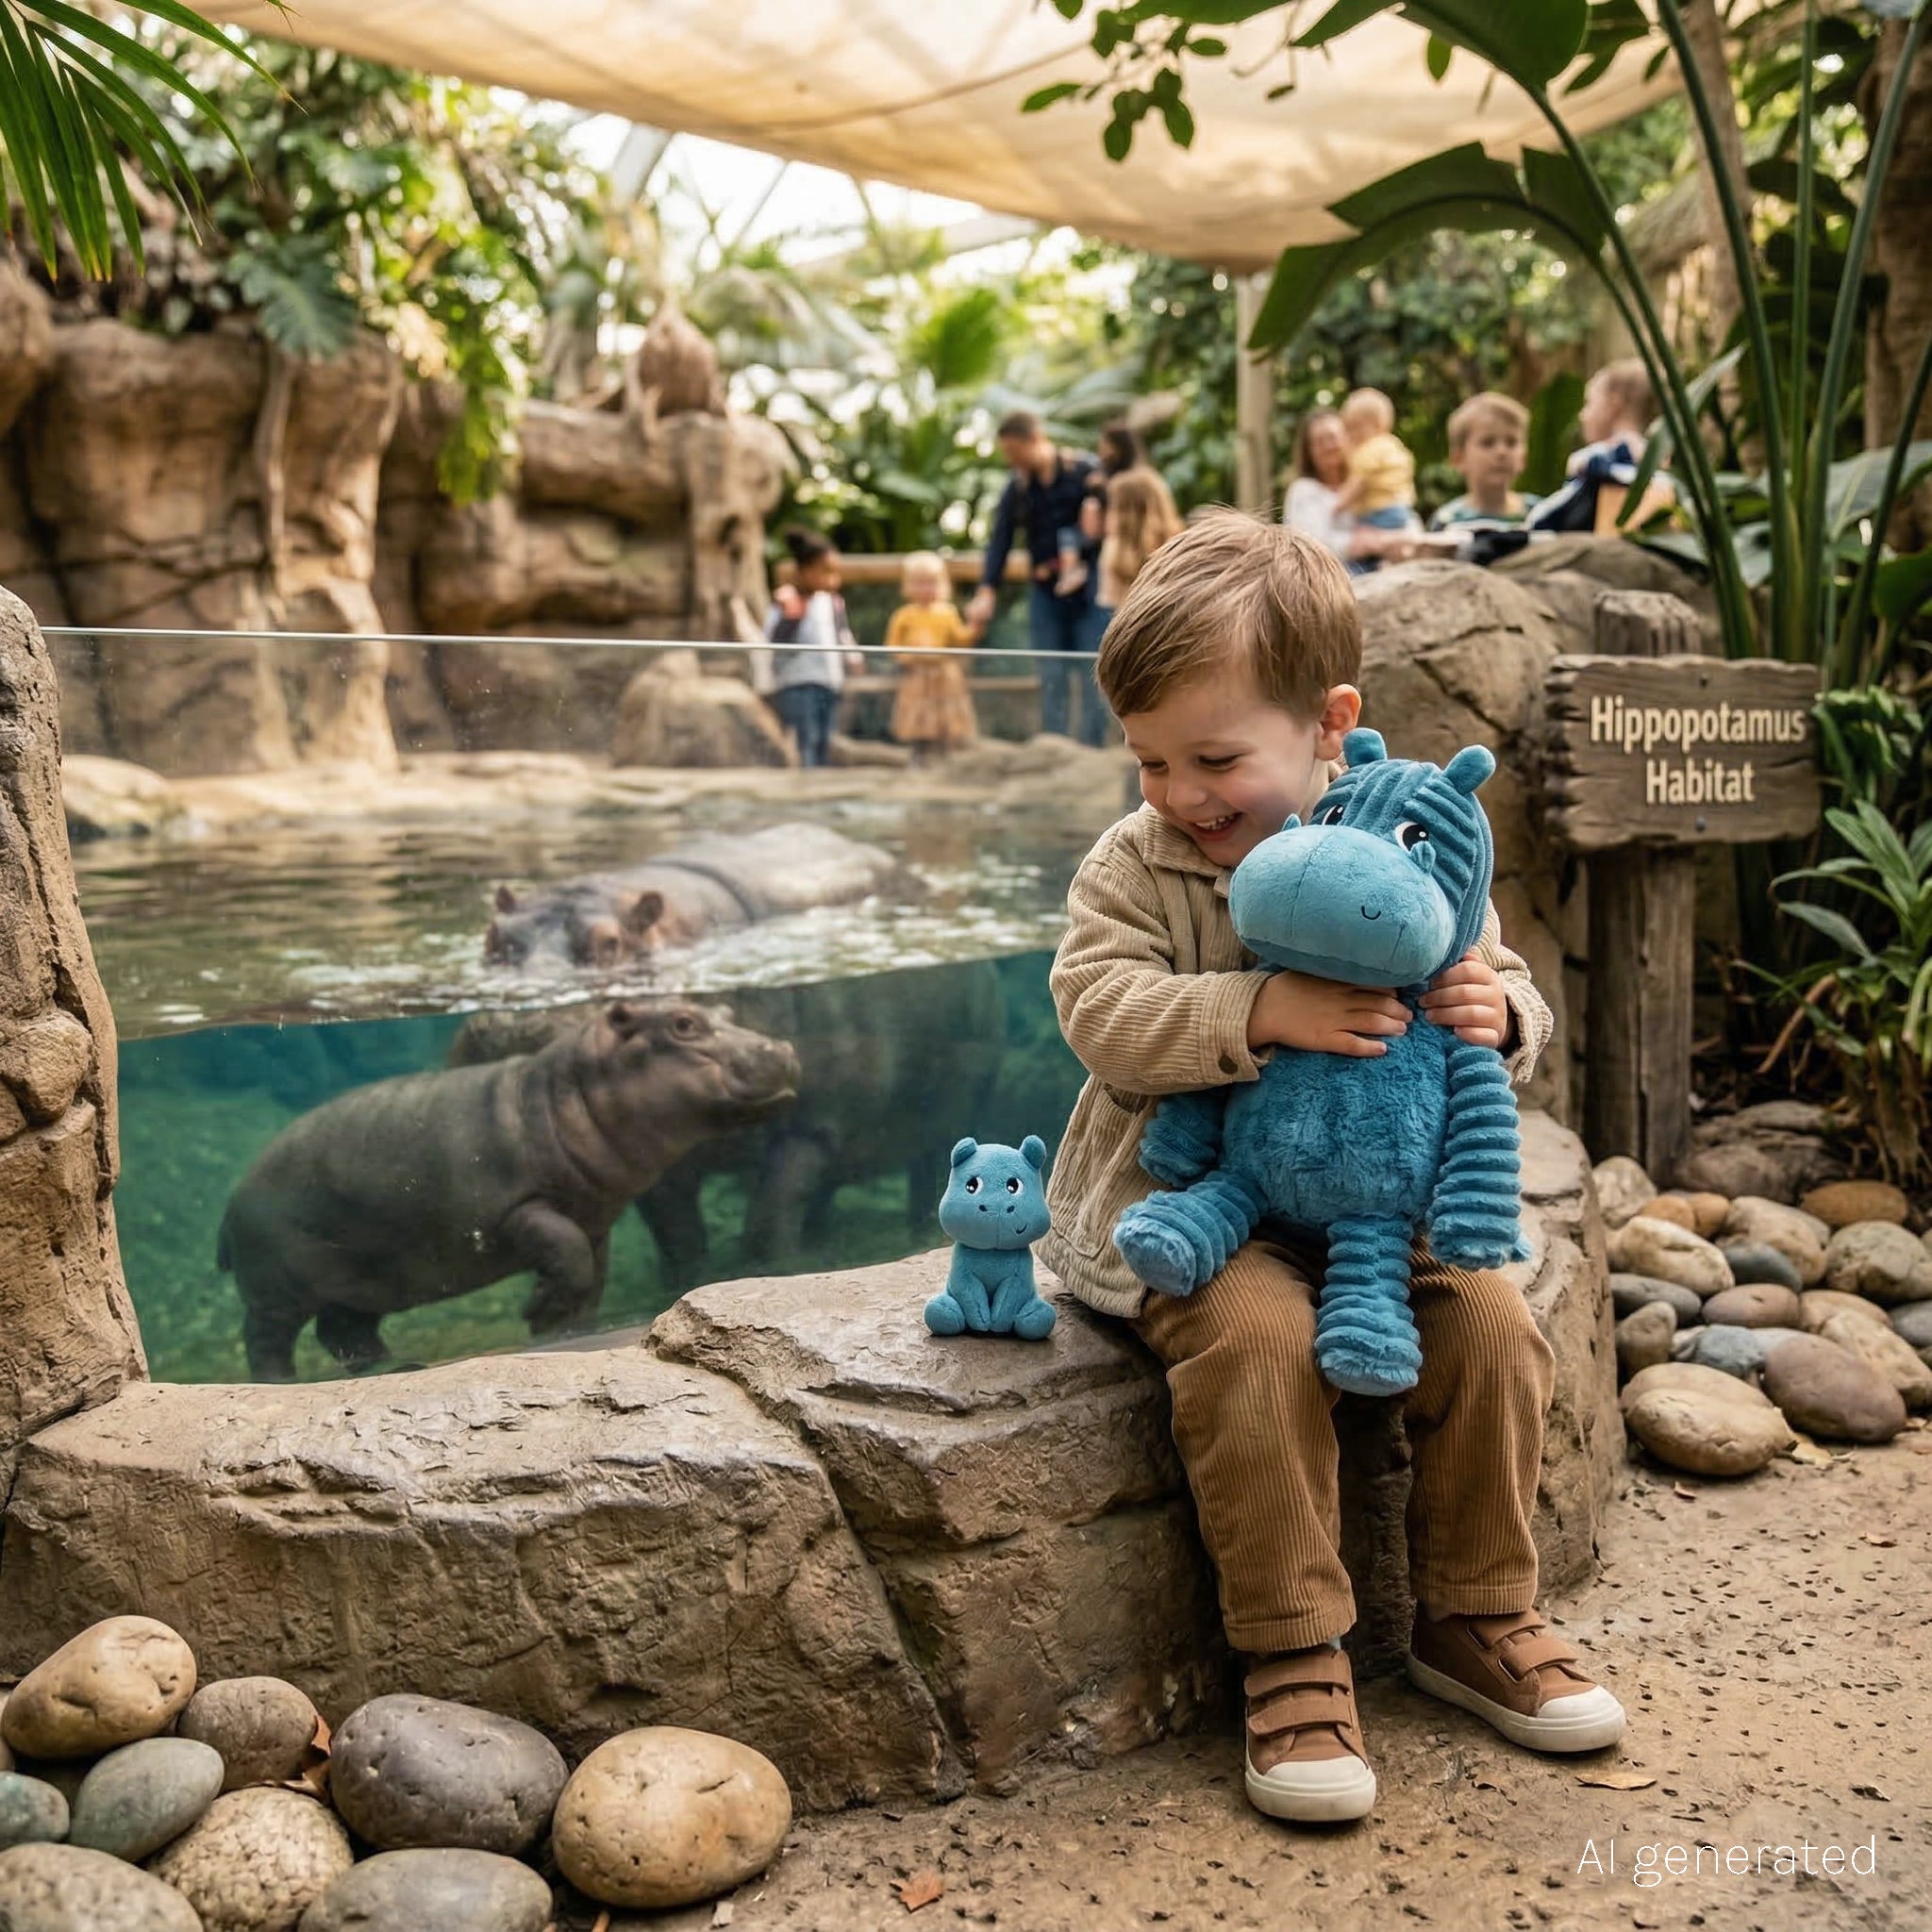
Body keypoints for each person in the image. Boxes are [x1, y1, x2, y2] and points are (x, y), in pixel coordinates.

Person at [1041, 509, 1626, 1827]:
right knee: (1255, 1340)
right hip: (1198, 1207)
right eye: (1149, 763)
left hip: (1381, 1207)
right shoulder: (1135, 867)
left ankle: (1475, 1614)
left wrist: (1500, 1014)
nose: (1182, 796)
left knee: (1488, 1323)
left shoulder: (1410, 840)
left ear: (1324, 723)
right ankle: (1295, 1650)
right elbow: (1097, 1009)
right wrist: (1254, 1014)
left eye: (1213, 757)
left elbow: (1503, 974)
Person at [968, 411, 1108, 747]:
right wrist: (987, 590)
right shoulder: (1017, 488)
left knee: (1095, 667)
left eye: (1016, 453)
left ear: (1036, 439)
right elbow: (1000, 540)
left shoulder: (1085, 472)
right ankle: (1055, 745)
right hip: (1046, 590)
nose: (1012, 461)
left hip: (1091, 590)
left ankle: (1092, 747)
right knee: (1051, 671)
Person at [1526, 358, 1674, 537]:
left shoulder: (1596, 458)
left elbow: (1555, 513)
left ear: (1613, 404)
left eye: (1588, 403)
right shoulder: (1662, 462)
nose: (1582, 416)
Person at [765, 526, 862, 769]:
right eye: (825, 571)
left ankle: (819, 783)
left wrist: (854, 658)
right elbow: (774, 643)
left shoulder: (832, 603)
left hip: (828, 682)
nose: (832, 578)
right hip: (798, 685)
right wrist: (792, 616)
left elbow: (842, 635)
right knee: (805, 740)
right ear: (805, 571)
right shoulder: (786, 600)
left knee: (825, 740)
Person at [1284, 409, 1414, 571]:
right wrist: (1369, 542)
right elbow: (1310, 545)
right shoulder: (1303, 490)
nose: (1328, 446)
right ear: (1308, 451)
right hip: (1331, 579)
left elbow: (1405, 518)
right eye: (1319, 442)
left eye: (1332, 437)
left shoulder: (1367, 480)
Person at [887, 550, 979, 761]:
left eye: (931, 582)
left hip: (945, 675)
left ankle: (945, 759)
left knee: (946, 719)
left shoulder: (947, 612)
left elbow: (960, 640)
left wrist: (975, 626)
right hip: (916, 675)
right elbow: (892, 645)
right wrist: (906, 658)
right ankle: (919, 758)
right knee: (918, 718)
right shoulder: (904, 615)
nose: (926, 588)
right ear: (908, 584)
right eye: (920, 583)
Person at [1430, 392, 1540, 531]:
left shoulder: (1539, 513)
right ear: (1459, 459)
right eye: (1487, 443)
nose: (1502, 452)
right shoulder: (1447, 520)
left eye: (1511, 443)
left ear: (1523, 458)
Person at [1094, 465, 1183, 632]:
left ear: (1129, 515)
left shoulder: (1177, 554)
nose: (1108, 515)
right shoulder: (1113, 551)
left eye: (1114, 507)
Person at [1332, 388, 1417, 554]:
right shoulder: (1393, 445)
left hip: (1379, 512)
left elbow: (1359, 483)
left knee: (1367, 548)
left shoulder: (1369, 450)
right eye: (1348, 429)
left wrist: (1339, 504)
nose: (1352, 434)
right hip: (1401, 509)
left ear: (1378, 425)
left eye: (1356, 427)